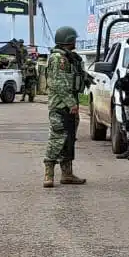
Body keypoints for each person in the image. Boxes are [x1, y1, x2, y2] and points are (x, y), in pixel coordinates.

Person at [41, 26, 88, 188]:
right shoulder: (57, 59)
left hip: (70, 106)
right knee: (57, 138)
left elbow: (73, 78)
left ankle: (67, 174)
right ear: (68, 40)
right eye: (74, 39)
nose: (76, 41)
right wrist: (71, 103)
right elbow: (57, 84)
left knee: (69, 140)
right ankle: (49, 174)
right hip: (60, 106)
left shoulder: (70, 58)